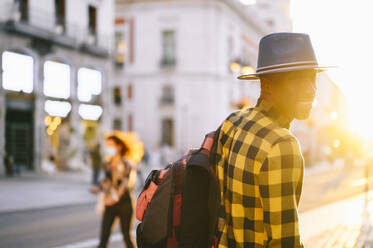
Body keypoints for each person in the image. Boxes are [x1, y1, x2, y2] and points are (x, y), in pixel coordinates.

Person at [212, 33, 333, 247]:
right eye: (297, 79)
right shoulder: (281, 144)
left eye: (312, 77)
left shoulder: (232, 122)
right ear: (267, 86)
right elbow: (285, 242)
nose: (311, 89)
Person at [97, 132, 137, 248]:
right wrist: (100, 188)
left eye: (111, 145)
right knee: (103, 238)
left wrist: (114, 198)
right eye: (107, 145)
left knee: (126, 236)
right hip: (110, 202)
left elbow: (125, 183)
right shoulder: (108, 163)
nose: (108, 148)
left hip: (124, 202)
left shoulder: (126, 163)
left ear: (119, 146)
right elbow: (108, 182)